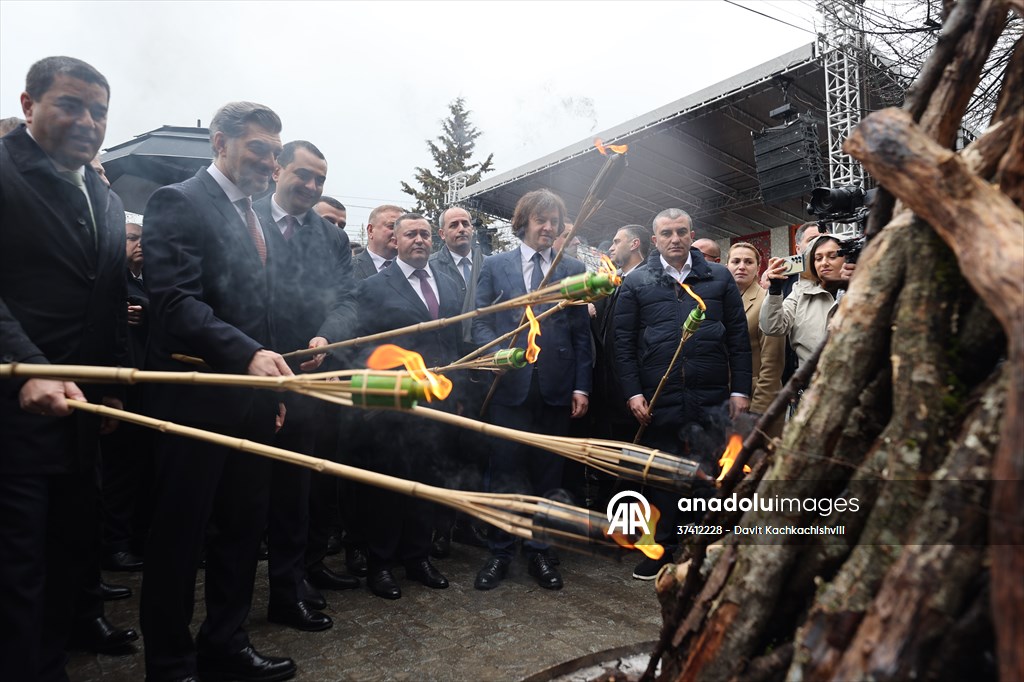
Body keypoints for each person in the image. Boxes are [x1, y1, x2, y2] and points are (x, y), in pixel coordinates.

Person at [140, 101, 297, 682]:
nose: (270, 163)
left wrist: (275, 387)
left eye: (276, 153)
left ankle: (226, 644)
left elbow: (262, 312)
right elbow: (176, 303)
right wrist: (245, 353)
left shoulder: (257, 219)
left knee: (241, 528)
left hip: (252, 402)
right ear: (220, 142)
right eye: (259, 148)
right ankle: (171, 662)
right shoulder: (178, 202)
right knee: (180, 535)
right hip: (194, 399)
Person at [0, 56, 129, 681]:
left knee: (68, 557)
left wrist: (114, 387)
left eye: (99, 112)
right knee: (17, 568)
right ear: (29, 104)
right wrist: (25, 365)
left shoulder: (105, 196)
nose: (88, 122)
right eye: (71, 105)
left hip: (80, 416)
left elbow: (105, 302)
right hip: (11, 415)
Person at [254, 140, 360, 632]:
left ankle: (289, 587)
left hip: (309, 378)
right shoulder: (243, 215)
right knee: (244, 498)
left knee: (298, 489)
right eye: (304, 175)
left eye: (320, 180)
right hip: (246, 373)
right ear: (278, 169)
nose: (312, 187)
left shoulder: (331, 238)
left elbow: (346, 300)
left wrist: (327, 335)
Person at [613, 208, 751, 580]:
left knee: (708, 474)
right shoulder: (637, 282)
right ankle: (663, 548)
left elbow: (738, 339)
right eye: (667, 233)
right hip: (659, 397)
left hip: (711, 396)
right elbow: (622, 345)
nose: (675, 239)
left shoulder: (719, 278)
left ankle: (702, 549)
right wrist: (633, 394)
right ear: (654, 240)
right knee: (662, 475)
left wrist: (740, 389)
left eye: (681, 231)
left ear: (692, 235)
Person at [472, 189, 593, 592]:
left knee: (548, 474)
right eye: (541, 219)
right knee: (505, 472)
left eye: (555, 221)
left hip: (556, 389)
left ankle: (539, 550)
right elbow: (478, 322)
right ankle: (500, 551)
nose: (549, 227)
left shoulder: (571, 268)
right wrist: (501, 354)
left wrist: (581, 386)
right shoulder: (495, 265)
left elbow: (581, 335)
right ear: (523, 223)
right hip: (510, 388)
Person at [351, 213, 463, 599]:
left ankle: (418, 558)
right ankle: (381, 565)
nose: (419, 240)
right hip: (392, 403)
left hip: (436, 403)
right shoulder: (373, 287)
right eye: (410, 234)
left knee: (425, 481)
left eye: (425, 234)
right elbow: (363, 345)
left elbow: (454, 345)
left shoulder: (448, 286)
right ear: (395, 241)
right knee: (389, 485)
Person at [427, 205, 488, 555]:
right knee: (444, 448)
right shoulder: (432, 267)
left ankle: (467, 522)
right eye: (454, 224)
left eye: (466, 223)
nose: (462, 229)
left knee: (475, 448)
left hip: (483, 368)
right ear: (442, 233)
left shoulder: (490, 262)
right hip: (447, 369)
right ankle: (439, 527)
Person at [759, 234, 849, 366]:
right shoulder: (800, 292)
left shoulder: (864, 288)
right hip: (810, 381)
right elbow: (772, 327)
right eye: (818, 258)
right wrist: (774, 291)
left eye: (832, 256)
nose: (824, 262)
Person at [725, 242, 784, 435]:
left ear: (758, 268)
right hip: (725, 398)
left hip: (756, 398)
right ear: (727, 266)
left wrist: (759, 411)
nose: (741, 266)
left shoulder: (766, 301)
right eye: (736, 261)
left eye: (748, 262)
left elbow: (772, 363)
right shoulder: (720, 301)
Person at [352, 204, 401, 280]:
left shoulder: (415, 268)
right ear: (370, 230)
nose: (398, 232)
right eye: (392, 226)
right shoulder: (347, 269)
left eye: (402, 229)